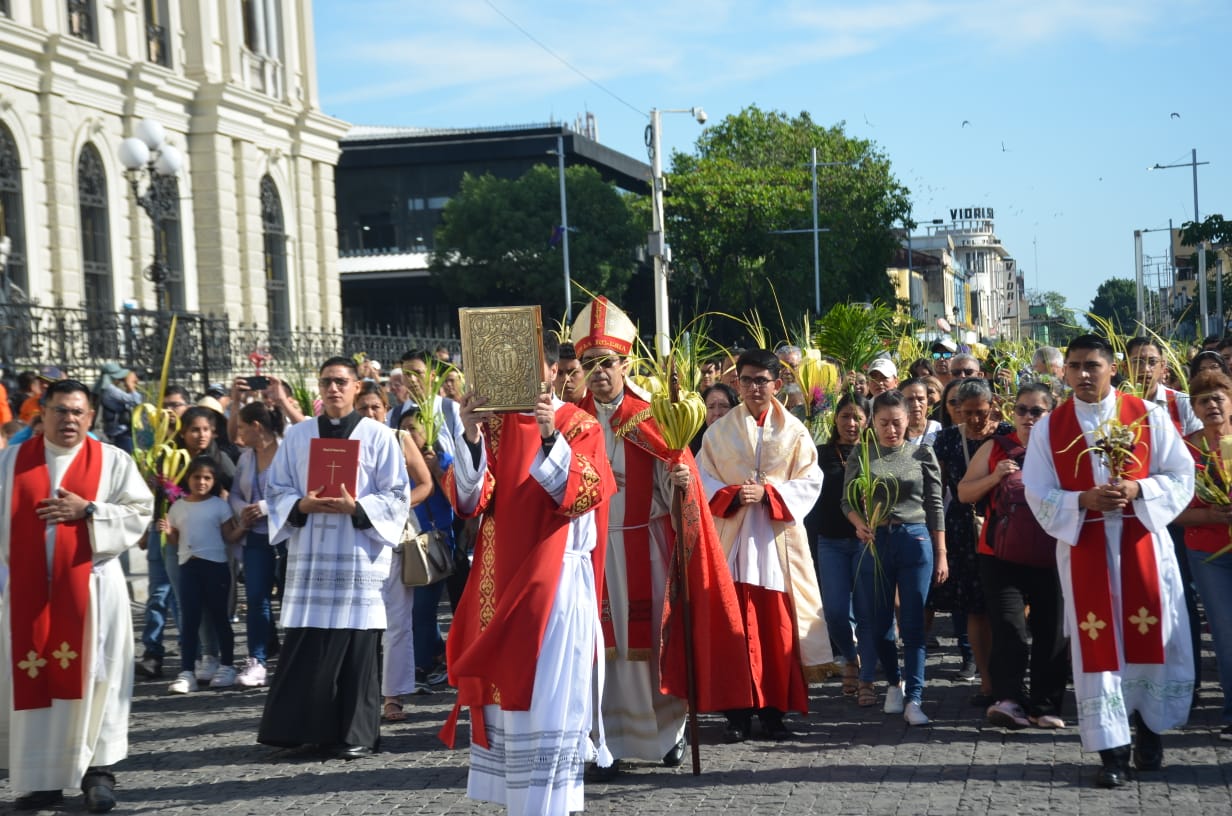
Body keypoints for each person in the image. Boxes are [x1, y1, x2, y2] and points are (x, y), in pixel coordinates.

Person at [437, 334, 617, 816]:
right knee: (509, 698)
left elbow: (581, 496)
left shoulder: (577, 422)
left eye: (530, 364)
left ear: (552, 372)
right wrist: (470, 435)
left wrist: (549, 436)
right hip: (499, 581)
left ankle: (549, 806)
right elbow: (469, 501)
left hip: (556, 583)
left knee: (548, 698)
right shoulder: (491, 427)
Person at [571, 296, 751, 776]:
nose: (598, 372)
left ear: (625, 364)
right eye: (589, 364)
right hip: (593, 552)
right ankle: (604, 741)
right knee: (598, 647)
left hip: (644, 546)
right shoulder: (574, 421)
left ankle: (666, 735)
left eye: (606, 362)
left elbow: (679, 485)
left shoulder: (650, 417)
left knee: (653, 641)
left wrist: (681, 482)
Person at [1023, 334, 1194, 789]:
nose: (1082, 374)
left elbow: (1181, 475)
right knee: (1098, 651)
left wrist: (1139, 489)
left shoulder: (1148, 416)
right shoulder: (1050, 428)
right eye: (1074, 366)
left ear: (1112, 368)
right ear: (1064, 371)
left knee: (1151, 637)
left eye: (1092, 365)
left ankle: (1150, 733)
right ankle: (1112, 752)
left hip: (1143, 545)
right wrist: (1083, 499)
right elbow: (1036, 490)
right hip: (1087, 546)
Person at [0, 379, 154, 812]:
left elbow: (140, 512)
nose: (69, 419)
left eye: (77, 412)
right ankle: (41, 779)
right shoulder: (11, 463)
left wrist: (89, 511)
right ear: (43, 413)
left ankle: (98, 773)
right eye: (60, 411)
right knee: (36, 677)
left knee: (97, 678)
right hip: (28, 593)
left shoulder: (112, 461)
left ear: (90, 417)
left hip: (93, 590)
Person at [257, 357, 410, 759]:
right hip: (311, 556)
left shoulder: (380, 437)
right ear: (319, 388)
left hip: (357, 555)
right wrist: (301, 504)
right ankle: (301, 731)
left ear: (357, 387)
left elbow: (398, 495)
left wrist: (357, 508)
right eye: (326, 382)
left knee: (357, 644)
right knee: (309, 641)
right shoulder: (298, 436)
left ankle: (355, 733)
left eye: (341, 381)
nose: (333, 389)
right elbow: (276, 490)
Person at [699, 348, 832, 741]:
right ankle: (737, 716)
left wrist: (770, 493)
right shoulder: (718, 433)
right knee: (733, 629)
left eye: (762, 381)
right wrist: (733, 495)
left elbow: (811, 480)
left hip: (776, 543)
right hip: (734, 541)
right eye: (747, 380)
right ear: (737, 382)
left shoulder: (795, 432)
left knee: (777, 630)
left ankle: (774, 713)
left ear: (777, 384)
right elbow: (704, 477)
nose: (754, 388)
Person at [957, 383, 1068, 730]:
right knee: (1009, 629)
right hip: (1000, 555)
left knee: (1051, 631)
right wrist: (995, 476)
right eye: (1022, 410)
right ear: (1012, 412)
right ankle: (1008, 699)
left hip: (1052, 554)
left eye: (1037, 411)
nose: (1028, 417)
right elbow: (963, 492)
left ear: (1051, 413)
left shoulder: (1065, 449)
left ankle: (1045, 704)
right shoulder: (996, 447)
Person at [842, 390, 947, 725]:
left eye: (897, 422)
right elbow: (846, 501)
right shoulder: (862, 453)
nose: (891, 430)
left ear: (908, 420)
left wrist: (942, 553)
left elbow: (935, 505)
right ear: (872, 422)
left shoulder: (921, 453)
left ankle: (915, 697)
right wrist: (858, 524)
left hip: (914, 538)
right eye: (884, 422)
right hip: (876, 541)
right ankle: (893, 681)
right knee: (878, 624)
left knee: (913, 624)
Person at [351, 382, 433, 722]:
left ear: (386, 410)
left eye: (376, 407)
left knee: (397, 622)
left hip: (396, 540)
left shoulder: (399, 438)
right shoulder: (347, 442)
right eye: (363, 408)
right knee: (358, 622)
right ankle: (360, 693)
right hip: (356, 542)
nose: (370, 413)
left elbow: (425, 483)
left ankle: (393, 695)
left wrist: (397, 507)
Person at [930, 378, 1007, 704]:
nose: (975, 419)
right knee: (975, 608)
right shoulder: (947, 440)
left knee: (1005, 607)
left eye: (981, 412)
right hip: (964, 528)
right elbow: (935, 490)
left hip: (1004, 525)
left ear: (992, 406)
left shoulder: (1006, 436)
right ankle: (986, 682)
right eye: (968, 412)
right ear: (957, 409)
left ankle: (1009, 680)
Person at [1172, 369, 1232, 742]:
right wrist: (1210, 515)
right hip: (1209, 553)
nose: (1212, 405)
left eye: (1219, 397)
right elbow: (1172, 510)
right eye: (1203, 400)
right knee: (1225, 630)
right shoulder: (1185, 451)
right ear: (1193, 408)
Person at [160, 456, 247, 693]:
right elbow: (175, 540)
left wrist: (244, 526)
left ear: (214, 480)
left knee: (220, 617)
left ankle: (227, 665)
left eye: (207, 478)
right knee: (190, 621)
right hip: (188, 568)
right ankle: (187, 671)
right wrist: (168, 532)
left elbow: (229, 536)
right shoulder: (177, 507)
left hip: (215, 567)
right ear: (188, 479)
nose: (201, 482)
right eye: (197, 477)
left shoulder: (219, 506)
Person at [804, 392, 870, 696]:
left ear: (868, 421)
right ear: (835, 419)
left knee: (867, 611)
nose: (851, 423)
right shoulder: (818, 454)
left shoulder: (875, 454)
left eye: (858, 417)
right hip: (828, 540)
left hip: (866, 542)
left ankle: (863, 673)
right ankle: (850, 655)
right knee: (834, 612)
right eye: (845, 416)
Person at [227, 401, 285, 688]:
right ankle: (257, 659)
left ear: (256, 427)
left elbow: (298, 491)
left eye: (241, 427)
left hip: (286, 535)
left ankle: (293, 656)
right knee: (256, 597)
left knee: (288, 598)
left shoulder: (287, 451)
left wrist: (264, 507)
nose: (238, 434)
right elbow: (235, 493)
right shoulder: (246, 458)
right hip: (255, 536)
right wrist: (245, 511)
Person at [94, 363, 142, 454]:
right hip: (120, 433)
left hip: (113, 432)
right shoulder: (110, 389)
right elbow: (136, 400)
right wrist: (130, 385)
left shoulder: (104, 389)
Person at [691, 383, 739, 455]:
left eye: (724, 406)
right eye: (711, 407)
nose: (717, 413)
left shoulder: (745, 445)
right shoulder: (693, 451)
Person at [900, 377, 941, 446]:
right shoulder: (894, 433)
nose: (916, 404)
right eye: (910, 399)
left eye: (920, 399)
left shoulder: (938, 429)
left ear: (928, 401)